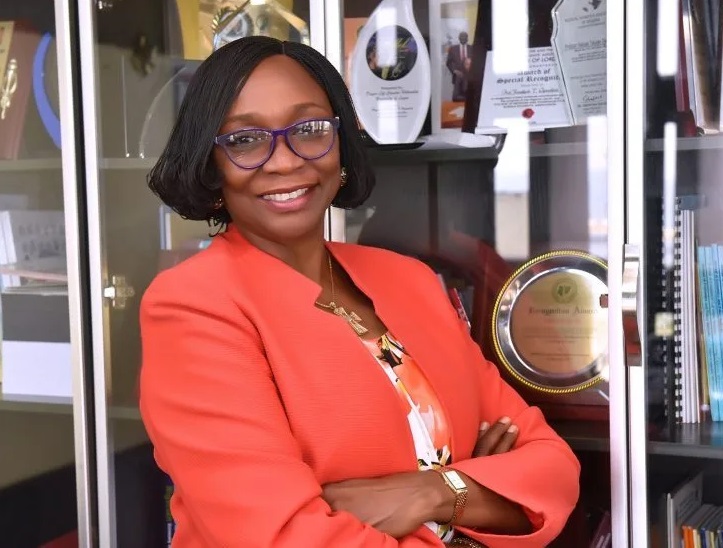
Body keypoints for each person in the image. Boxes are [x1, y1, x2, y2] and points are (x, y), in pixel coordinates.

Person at [140, 35, 580, 547]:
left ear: (341, 142)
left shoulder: (409, 280)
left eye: (309, 129)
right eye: (245, 140)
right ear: (210, 163)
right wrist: (483, 491)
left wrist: (434, 492)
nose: (284, 162)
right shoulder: (194, 306)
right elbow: (285, 538)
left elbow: (552, 471)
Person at [446, 32, 471, 102]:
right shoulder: (453, 49)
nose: (463, 38)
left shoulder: (472, 48)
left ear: (467, 39)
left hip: (469, 77)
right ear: (459, 38)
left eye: (465, 37)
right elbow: (449, 62)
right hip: (457, 76)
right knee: (457, 95)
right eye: (462, 37)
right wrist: (454, 71)